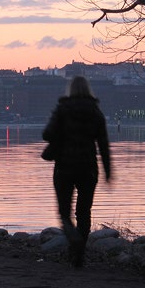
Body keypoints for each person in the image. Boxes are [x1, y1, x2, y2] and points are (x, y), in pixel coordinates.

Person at [42, 76, 111, 268]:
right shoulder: (96, 112)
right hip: (88, 167)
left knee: (65, 213)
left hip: (64, 166)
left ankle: (76, 244)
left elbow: (46, 134)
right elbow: (104, 145)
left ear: (70, 90)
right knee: (84, 211)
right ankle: (78, 254)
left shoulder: (63, 109)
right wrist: (108, 171)